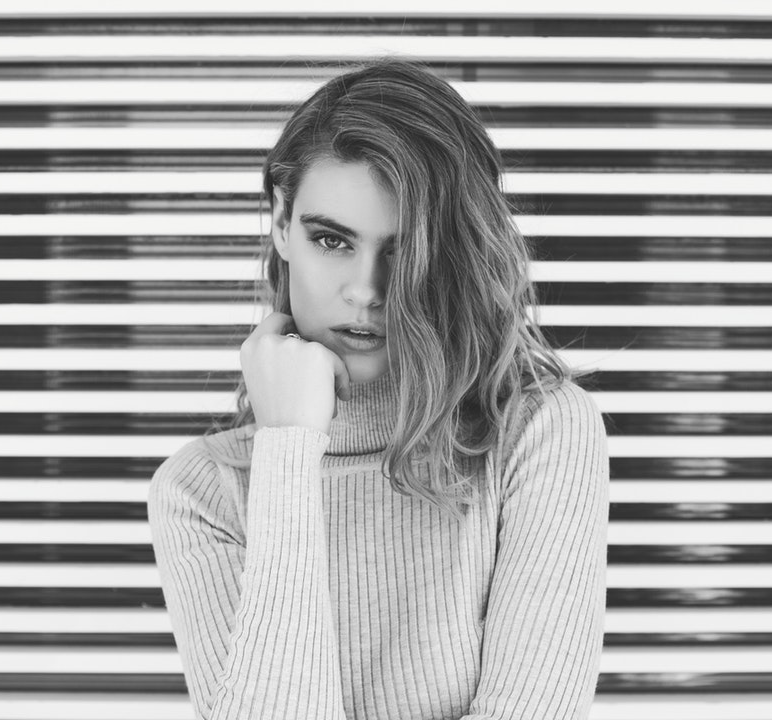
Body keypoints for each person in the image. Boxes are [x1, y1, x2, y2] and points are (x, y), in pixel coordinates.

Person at [147, 57, 610, 720]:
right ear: (281, 221)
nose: (366, 290)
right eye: (332, 240)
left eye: (404, 249)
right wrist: (287, 449)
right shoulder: (201, 493)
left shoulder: (538, 436)